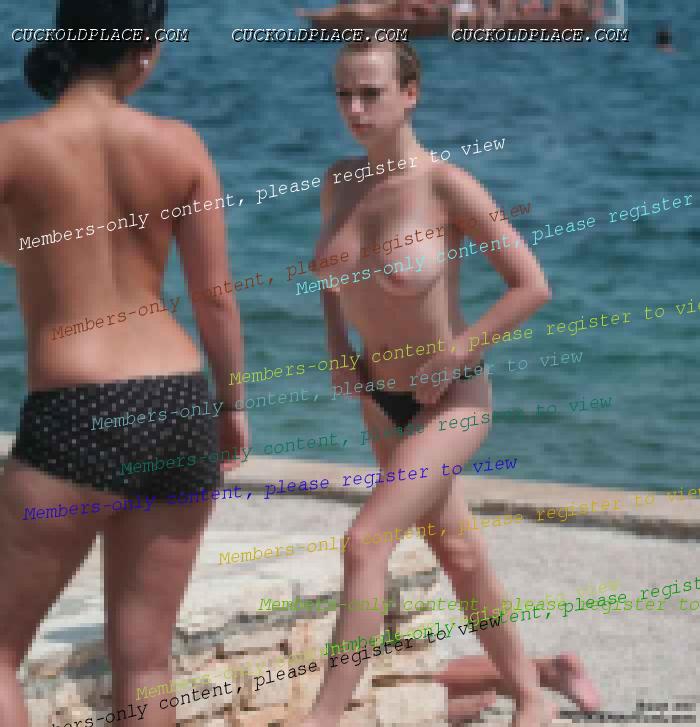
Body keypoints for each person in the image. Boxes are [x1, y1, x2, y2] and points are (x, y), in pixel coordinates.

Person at [299, 39, 598, 727]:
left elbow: (531, 286)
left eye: (371, 93)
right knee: (458, 551)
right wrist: (337, 344)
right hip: (380, 399)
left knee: (365, 542)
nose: (354, 109)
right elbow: (329, 275)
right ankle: (535, 691)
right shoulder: (338, 181)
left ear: (411, 94)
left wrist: (459, 350)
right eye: (344, 94)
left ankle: (322, 718)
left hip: (451, 397)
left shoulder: (447, 186)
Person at [0, 2, 247, 725]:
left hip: (77, 410)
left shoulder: (14, 146)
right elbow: (215, 298)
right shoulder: (180, 145)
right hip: (178, 404)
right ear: (143, 51)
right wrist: (231, 403)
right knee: (145, 662)